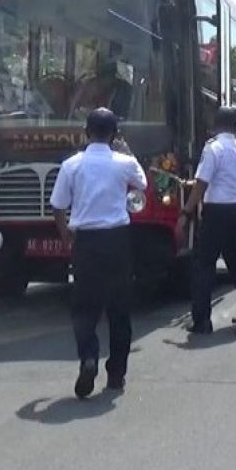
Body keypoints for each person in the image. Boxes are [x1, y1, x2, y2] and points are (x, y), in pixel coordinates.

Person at [50, 108, 147, 399]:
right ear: (114, 134)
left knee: (84, 308)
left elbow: (57, 204)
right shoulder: (124, 162)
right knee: (119, 311)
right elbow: (143, 183)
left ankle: (88, 357)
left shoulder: (71, 165)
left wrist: (65, 233)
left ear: (85, 132)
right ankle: (116, 374)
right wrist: (126, 151)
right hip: (117, 241)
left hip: (86, 242)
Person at [180, 106, 236, 334]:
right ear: (235, 126)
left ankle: (202, 320)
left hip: (217, 212)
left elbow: (202, 183)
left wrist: (187, 211)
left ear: (216, 126)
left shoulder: (213, 149)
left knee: (204, 265)